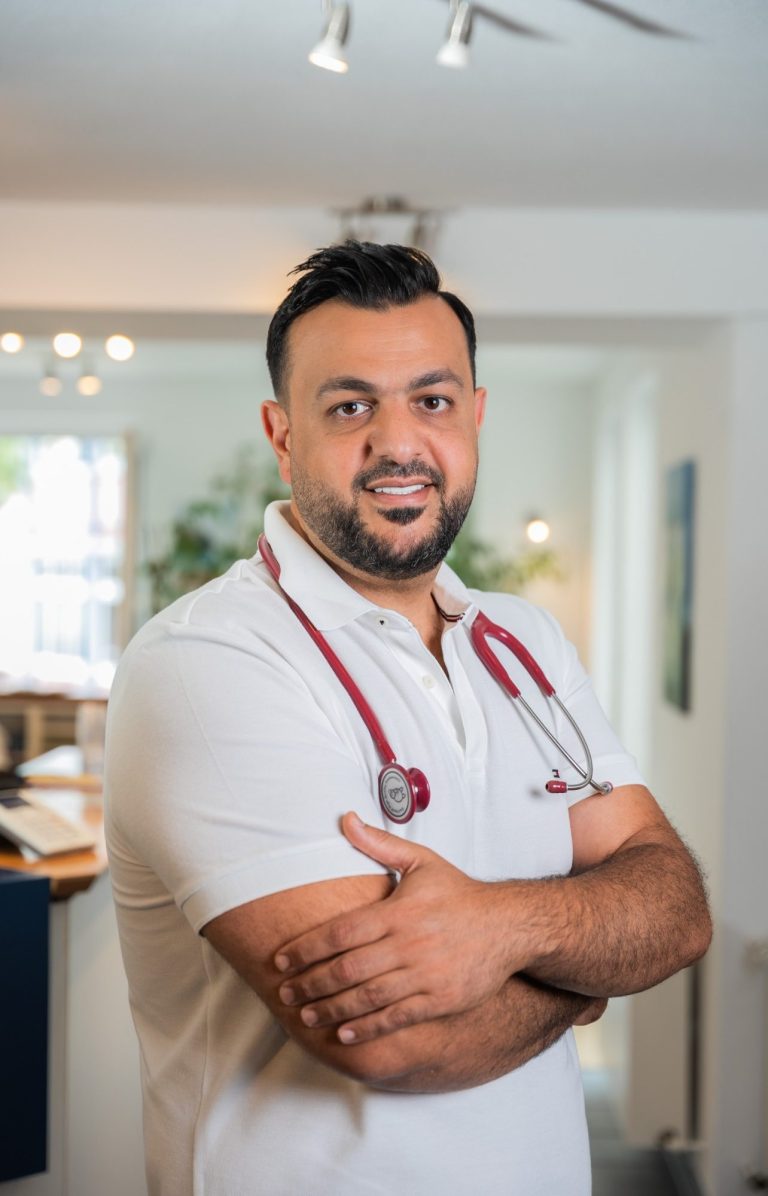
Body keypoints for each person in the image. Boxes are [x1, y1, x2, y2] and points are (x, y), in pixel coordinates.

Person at [104, 241, 712, 1196]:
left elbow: (676, 907)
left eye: (432, 400)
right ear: (281, 435)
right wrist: (587, 973)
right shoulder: (205, 662)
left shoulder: (522, 641)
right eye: (351, 406)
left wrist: (499, 928)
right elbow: (390, 1041)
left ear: (474, 416)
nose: (399, 443)